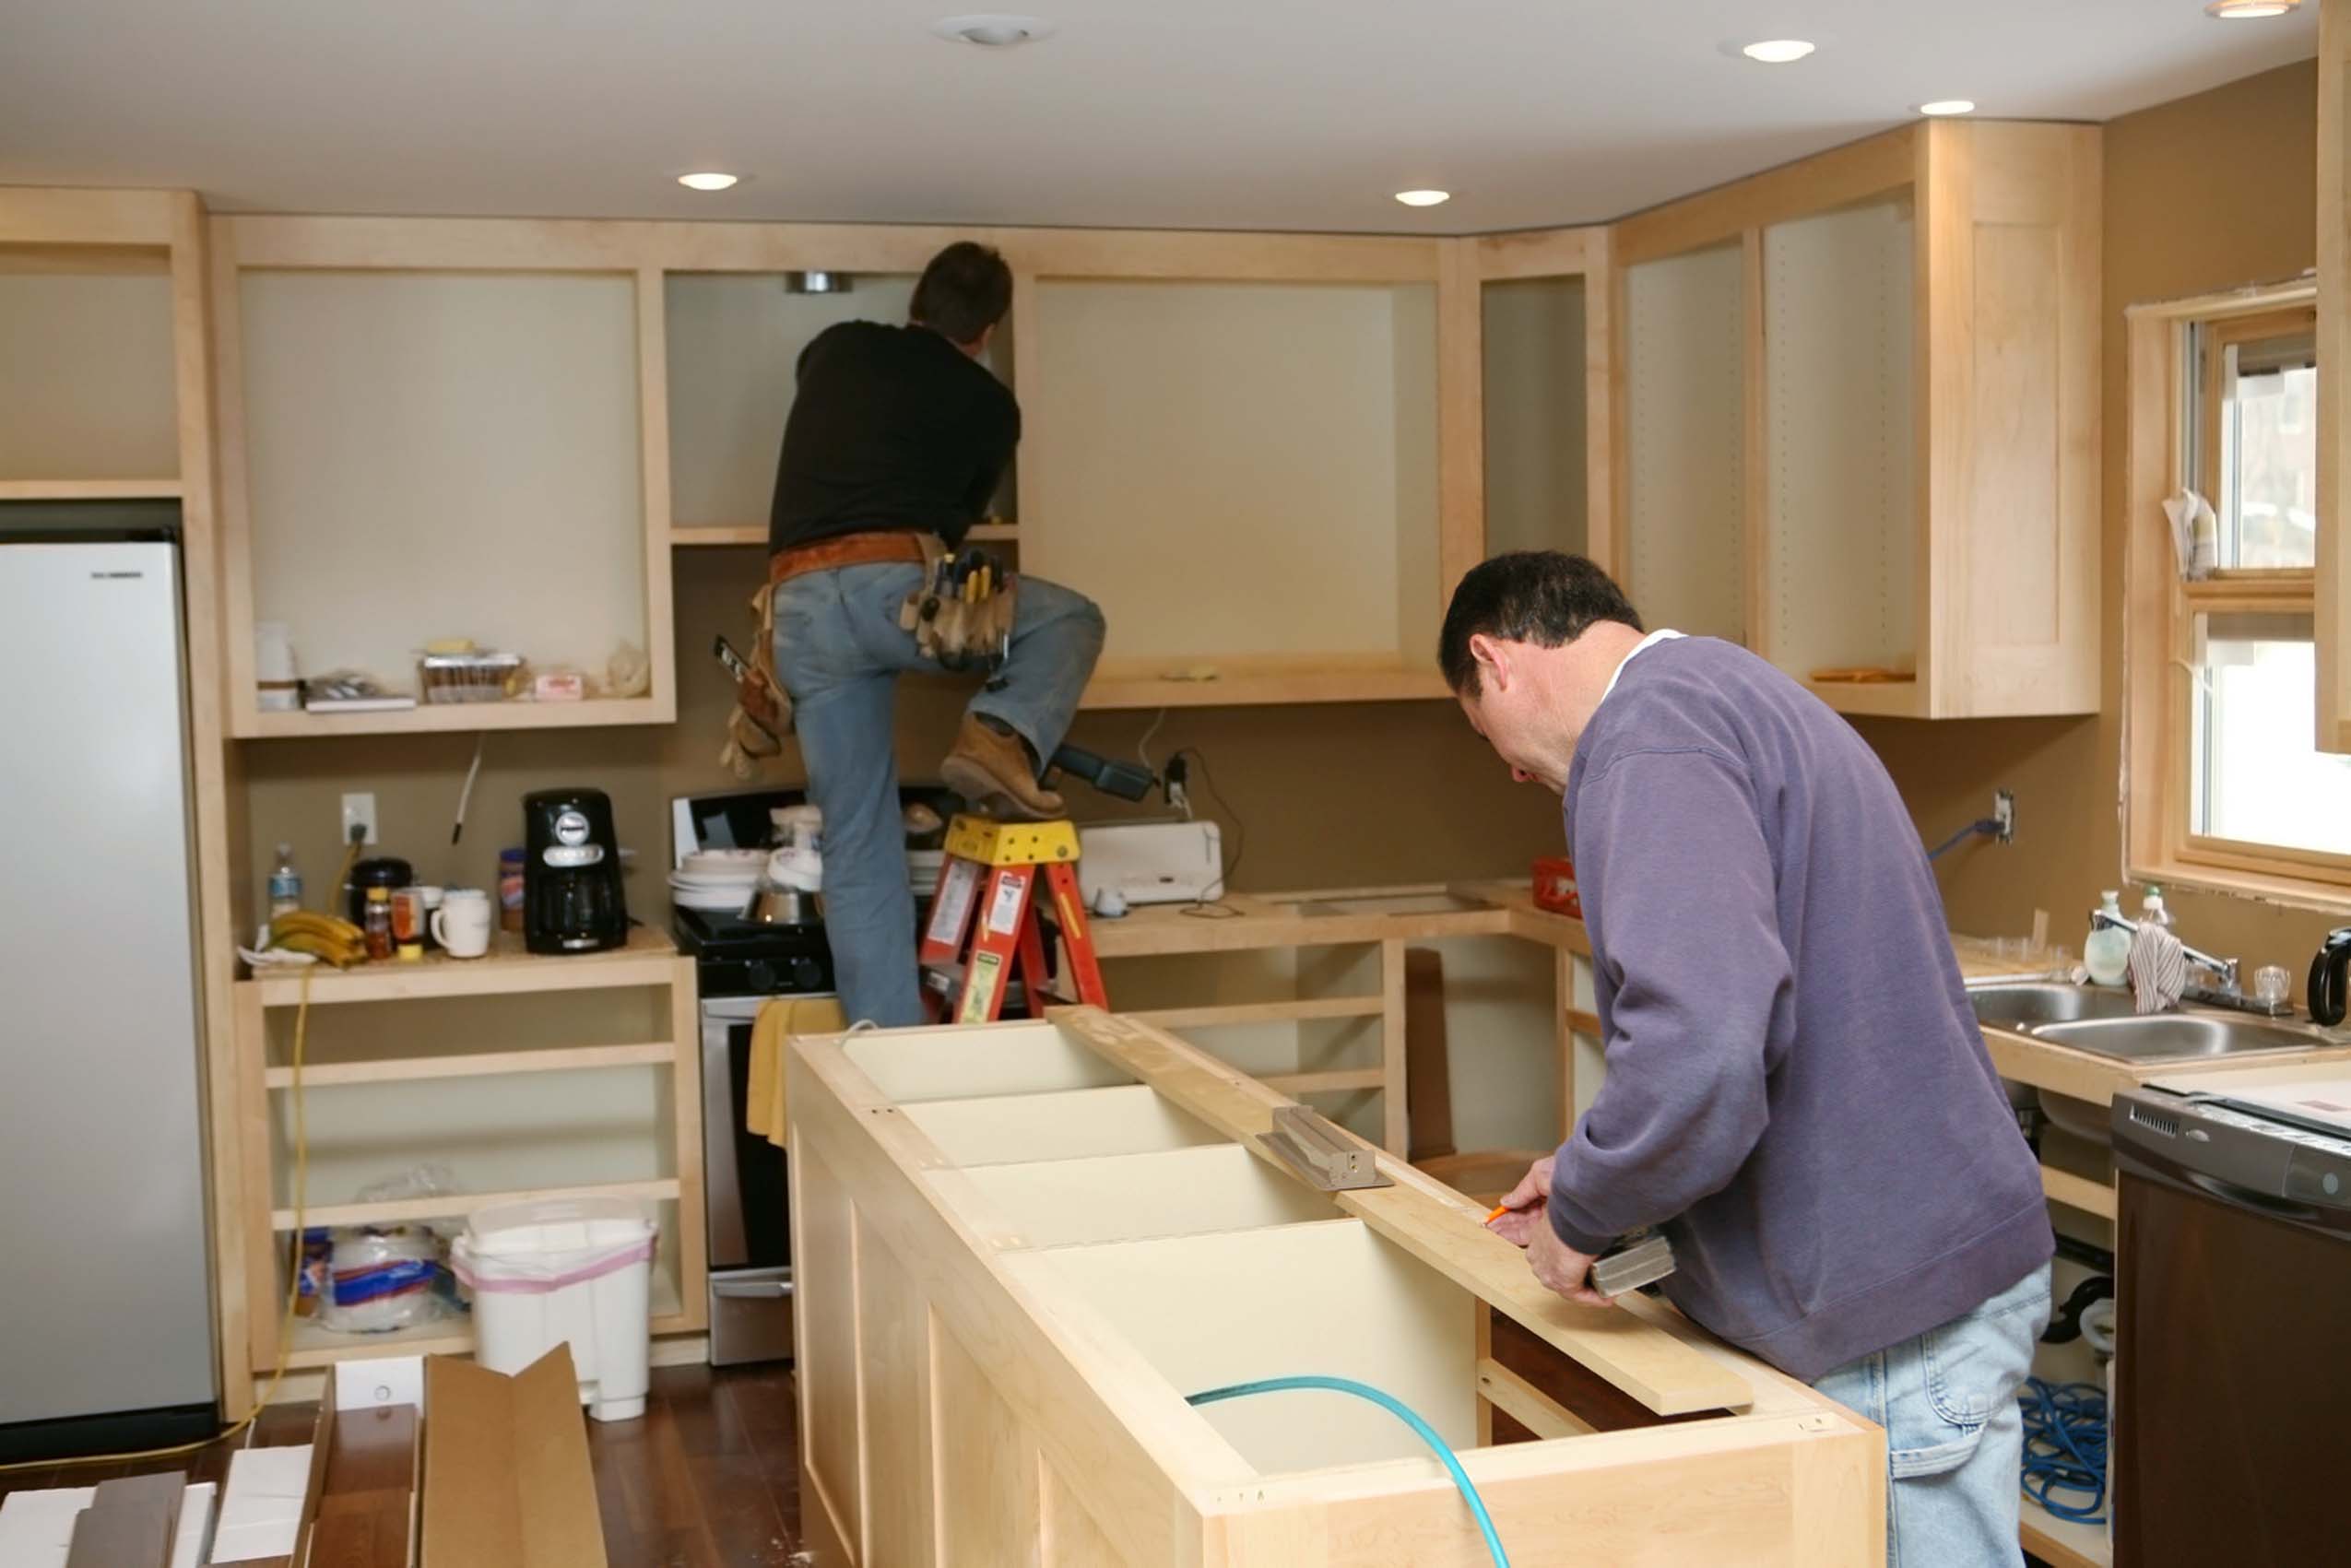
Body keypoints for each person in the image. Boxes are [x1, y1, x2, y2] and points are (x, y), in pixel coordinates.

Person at [1442, 551, 2052, 1566]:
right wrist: (1595, 1168)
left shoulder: (1646, 741)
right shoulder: (1727, 689)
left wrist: (1587, 1217)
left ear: (1494, 661)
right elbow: (1737, 1031)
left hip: (1884, 1316)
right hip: (1903, 1277)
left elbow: (1705, 1047)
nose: (1508, 767)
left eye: (1483, 734)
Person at [767, 242, 1105, 1028]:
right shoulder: (991, 407)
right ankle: (1000, 734)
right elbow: (948, 537)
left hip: (795, 612)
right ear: (987, 329)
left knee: (856, 846)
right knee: (1071, 617)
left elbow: (821, 401)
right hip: (890, 590)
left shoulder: (838, 345)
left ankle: (887, 1045)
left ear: (914, 302)